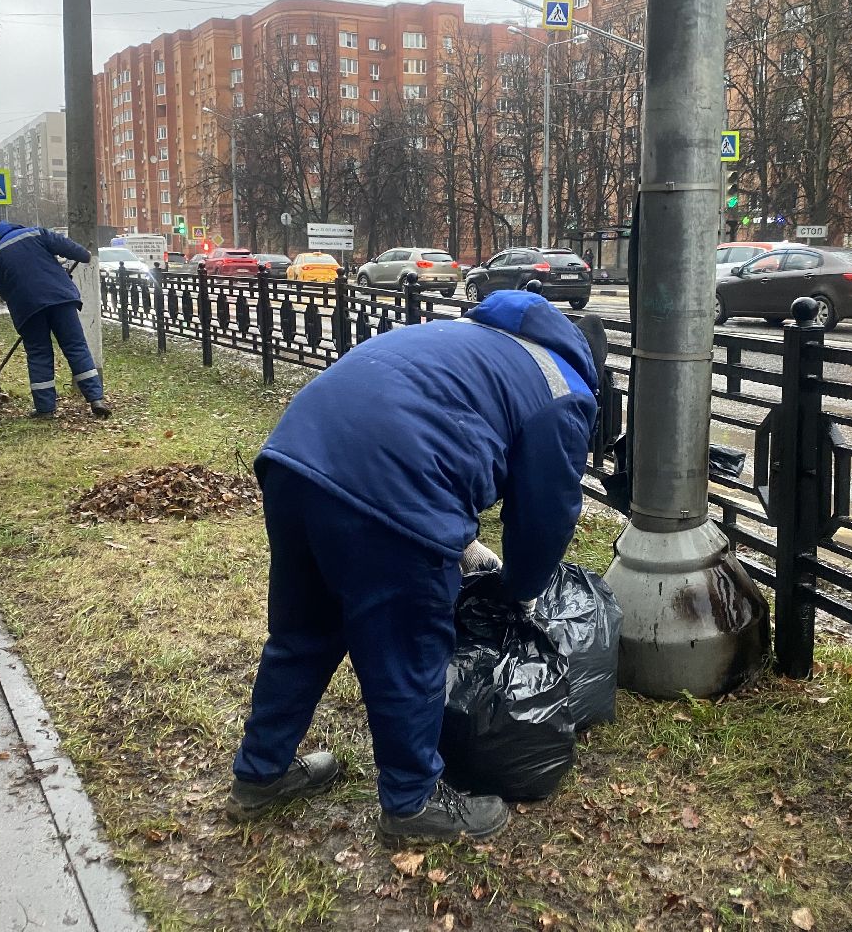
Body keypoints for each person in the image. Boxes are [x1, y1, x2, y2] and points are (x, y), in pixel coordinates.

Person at [227, 290, 608, 843]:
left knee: (303, 632)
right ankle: (412, 805)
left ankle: (259, 776)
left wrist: (463, 545)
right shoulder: (563, 389)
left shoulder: (474, 340)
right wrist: (522, 590)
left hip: (295, 459)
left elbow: (438, 426)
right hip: (388, 489)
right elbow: (545, 513)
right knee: (409, 650)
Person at [0, 221, 111, 420]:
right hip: (60, 299)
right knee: (76, 346)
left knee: (39, 353)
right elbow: (64, 245)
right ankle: (96, 399)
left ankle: (45, 409)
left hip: (27, 309)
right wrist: (85, 255)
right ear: (15, 227)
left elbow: (2, 290)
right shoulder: (35, 234)